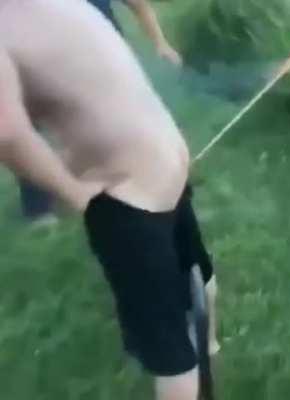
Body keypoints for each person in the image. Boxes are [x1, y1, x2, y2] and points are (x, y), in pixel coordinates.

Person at [0, 1, 217, 399]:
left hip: (129, 194)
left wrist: (73, 192)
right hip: (166, 157)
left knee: (168, 350)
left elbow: (7, 133)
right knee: (194, 269)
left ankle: (190, 368)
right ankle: (210, 346)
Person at [17, 0, 181, 224]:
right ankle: (40, 206)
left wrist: (161, 43)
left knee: (125, 121)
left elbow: (139, 4)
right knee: (29, 126)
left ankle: (145, 178)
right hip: (54, 64)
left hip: (108, 62)